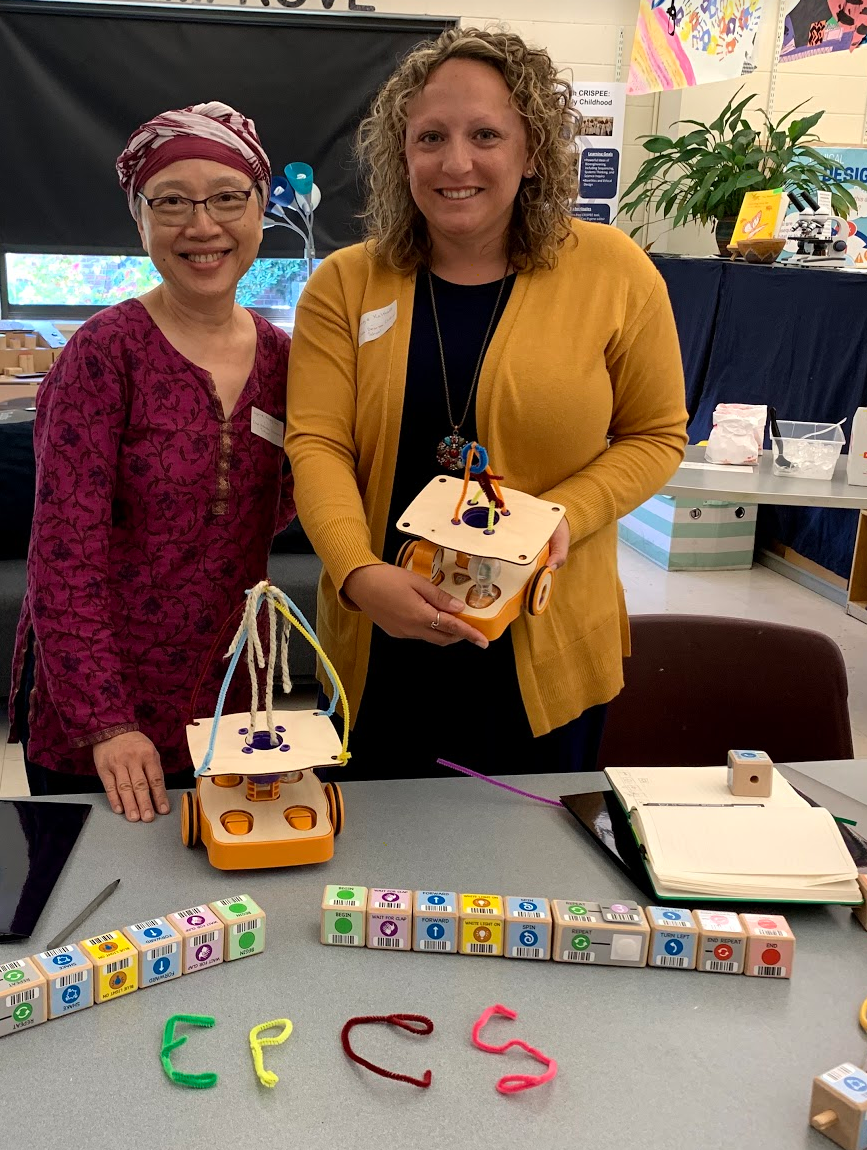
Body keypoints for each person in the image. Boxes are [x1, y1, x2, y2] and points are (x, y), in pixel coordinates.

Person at [286, 29, 688, 780]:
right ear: (400, 154)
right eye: (430, 137)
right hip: (382, 634)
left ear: (532, 151)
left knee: (533, 875)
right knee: (377, 879)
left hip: (543, 633)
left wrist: (562, 515)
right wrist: (358, 574)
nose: (456, 162)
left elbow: (657, 434)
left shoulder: (614, 273)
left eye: (486, 135)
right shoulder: (344, 285)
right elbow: (317, 445)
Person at [10, 102, 292, 820]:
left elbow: (300, 495)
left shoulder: (288, 361)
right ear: (140, 219)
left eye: (228, 197)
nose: (203, 226)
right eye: (171, 202)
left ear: (263, 208)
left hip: (230, 692)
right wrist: (106, 720)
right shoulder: (104, 355)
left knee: (221, 909)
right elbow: (62, 554)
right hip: (103, 701)